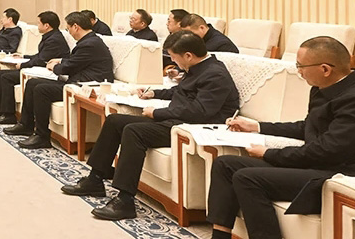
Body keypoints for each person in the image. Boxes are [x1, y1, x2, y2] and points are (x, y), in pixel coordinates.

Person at [168, 36, 355, 239]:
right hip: (326, 164)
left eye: (301, 66)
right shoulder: (327, 89)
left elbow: (328, 151)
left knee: (248, 178)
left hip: (347, 177)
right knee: (226, 164)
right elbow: (309, 129)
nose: (298, 71)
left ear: (325, 69)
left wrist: (270, 153)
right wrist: (258, 127)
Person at [60, 31, 240, 220]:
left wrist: (157, 112)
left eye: (173, 57)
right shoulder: (198, 68)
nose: (172, 61)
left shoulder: (215, 75)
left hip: (192, 127)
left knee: (134, 131)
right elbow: (181, 92)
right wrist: (153, 93)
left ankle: (125, 200)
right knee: (115, 121)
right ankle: (95, 179)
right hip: (177, 120)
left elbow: (200, 111)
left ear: (188, 55)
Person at [11, 11, 114, 149]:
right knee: (32, 83)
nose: (68, 32)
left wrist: (54, 66)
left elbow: (67, 68)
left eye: (69, 28)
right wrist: (60, 60)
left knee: (41, 90)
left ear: (76, 27)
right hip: (77, 81)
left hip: (85, 85)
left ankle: (42, 136)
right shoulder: (89, 41)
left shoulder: (89, 44)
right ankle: (26, 125)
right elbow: (76, 61)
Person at [0, 11, 71, 124]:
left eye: (39, 23)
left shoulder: (54, 39)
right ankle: (0, 109)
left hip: (47, 71)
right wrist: (23, 57)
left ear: (46, 25)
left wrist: (22, 64)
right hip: (41, 67)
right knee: (1, 74)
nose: (37, 26)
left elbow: (41, 60)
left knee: (6, 77)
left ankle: (9, 115)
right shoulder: (50, 36)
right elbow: (40, 56)